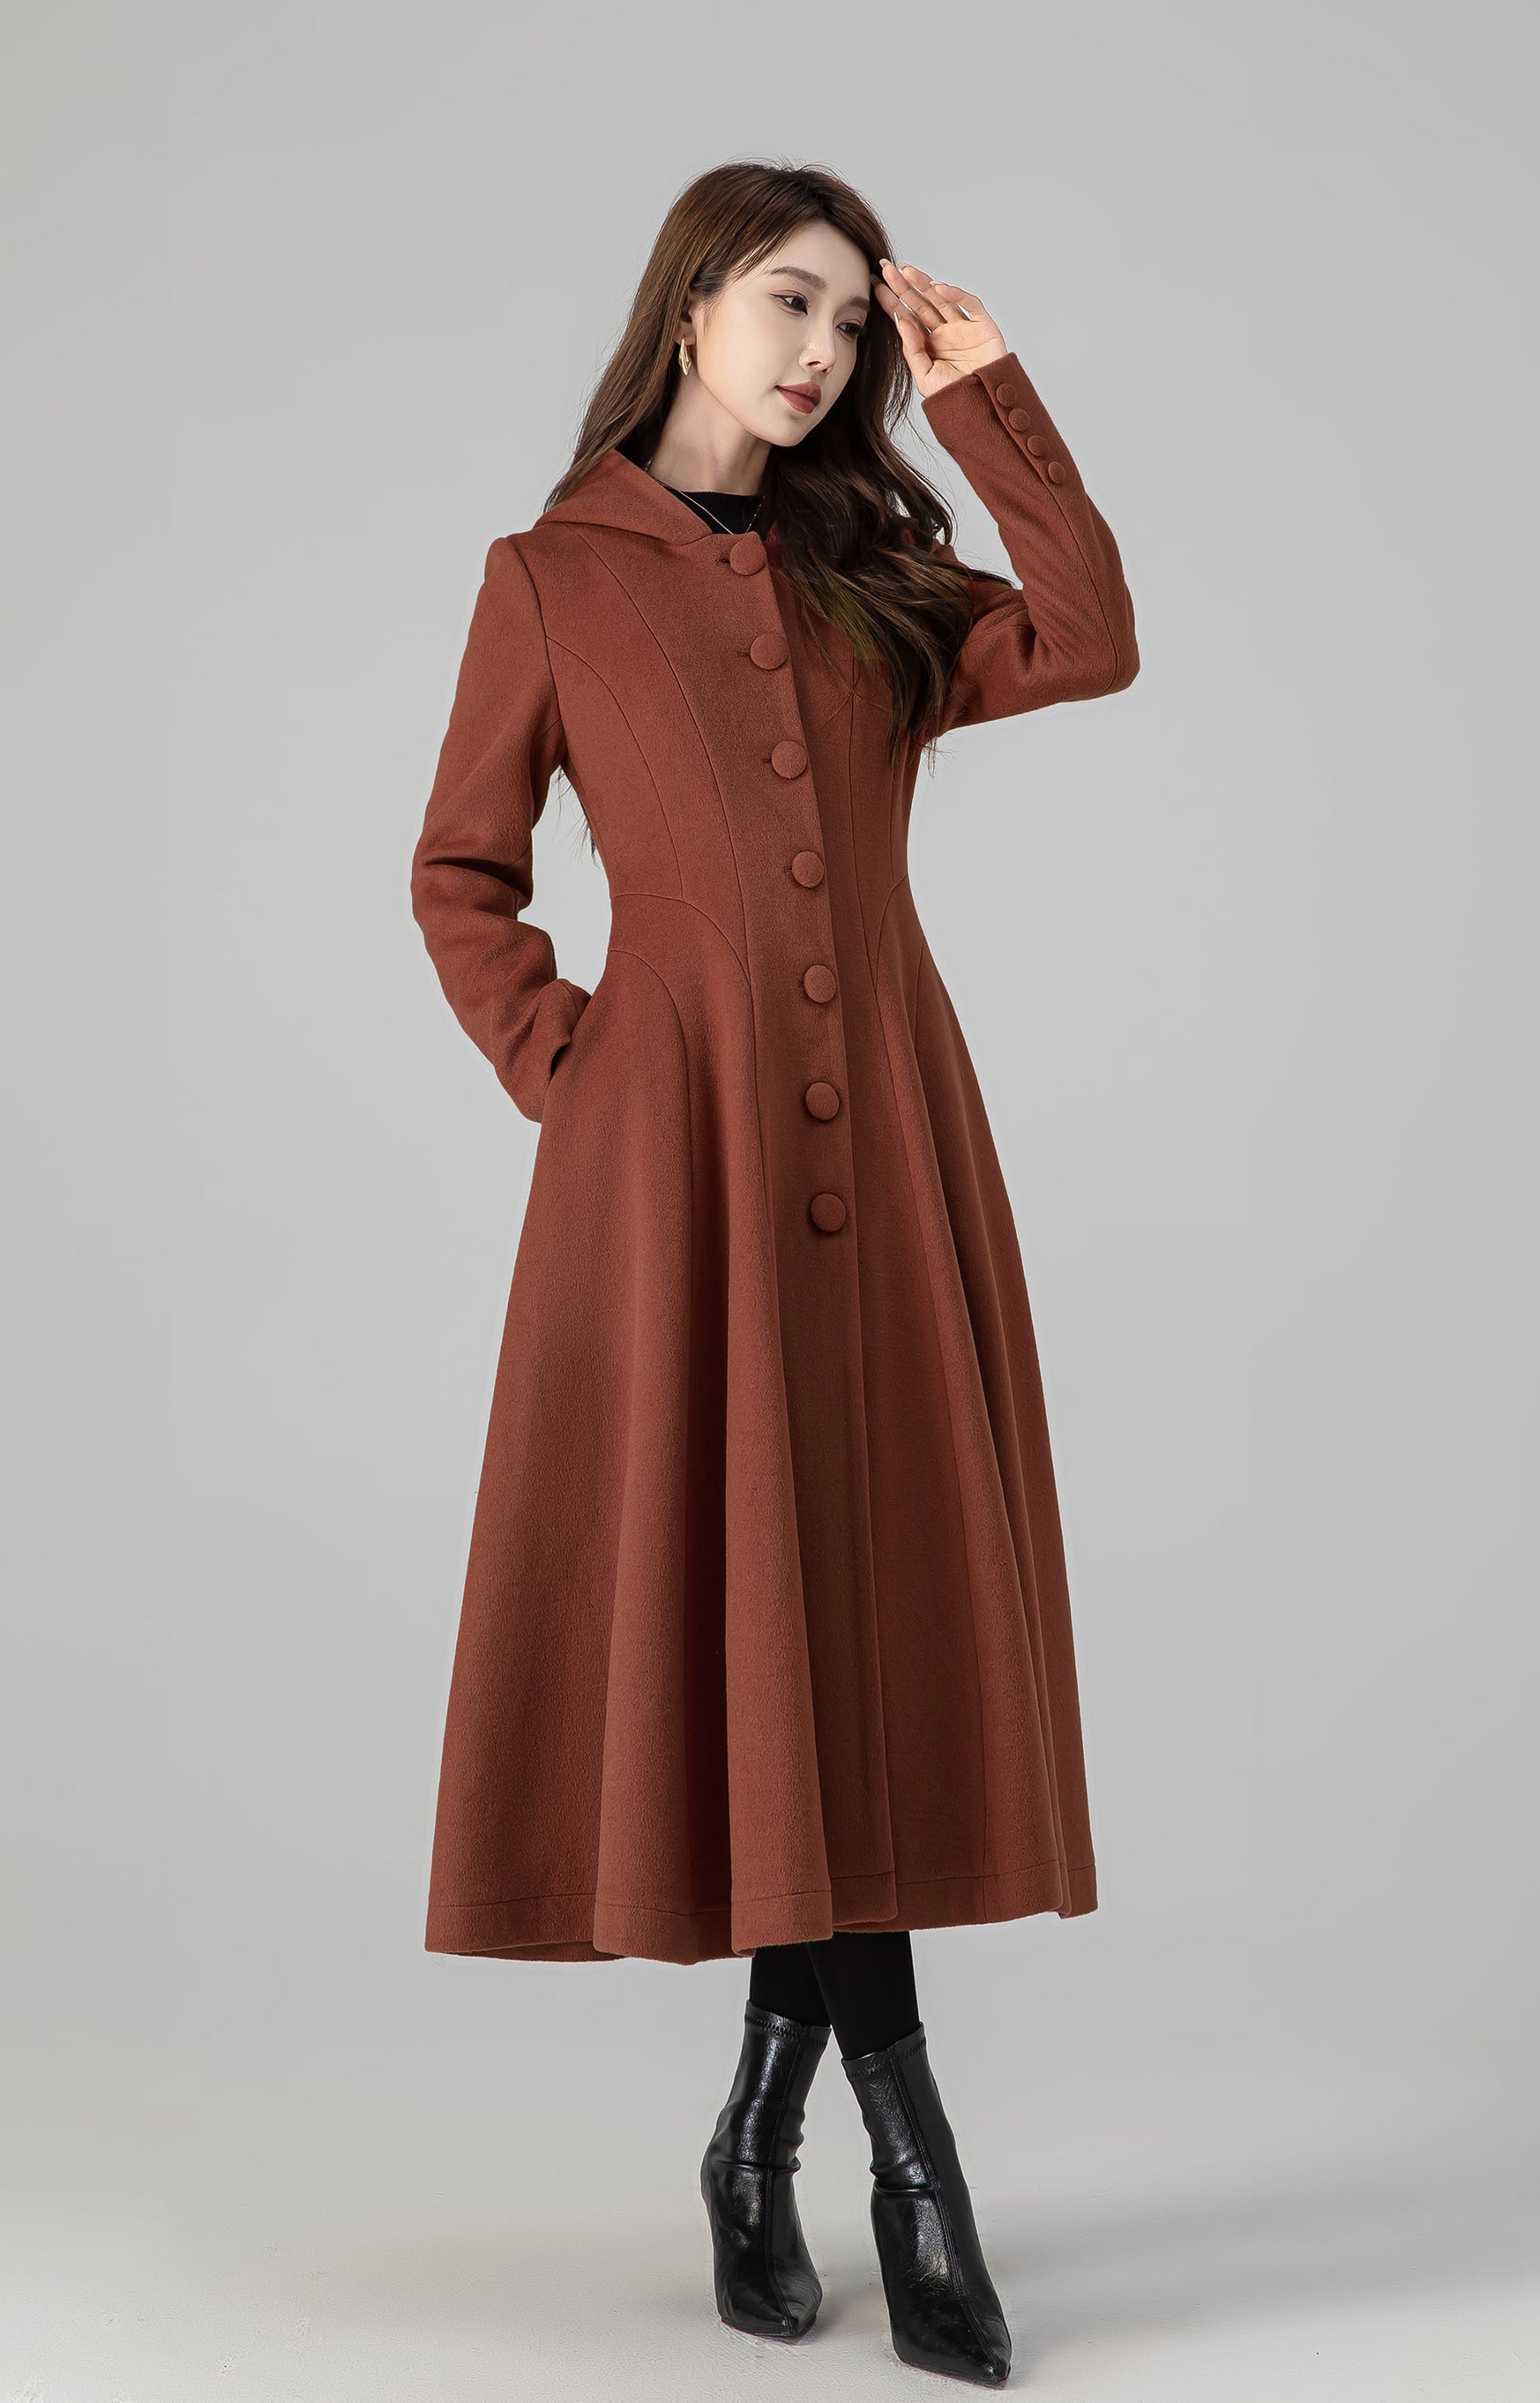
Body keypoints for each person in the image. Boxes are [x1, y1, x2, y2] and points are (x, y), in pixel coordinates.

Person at [408, 160, 1139, 2386]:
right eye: (788, 302)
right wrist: (578, 1069)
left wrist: (987, 395)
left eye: (848, 320)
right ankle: (915, 2160)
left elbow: (1089, 633)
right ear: (691, 305)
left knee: (841, 1629)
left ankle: (755, 2135)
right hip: (680, 1177)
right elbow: (459, 872)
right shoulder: (551, 576)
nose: (822, 352)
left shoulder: (868, 575)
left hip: (891, 1150)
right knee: (758, 1619)